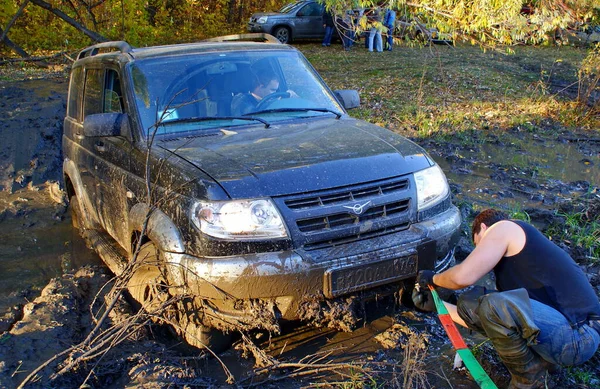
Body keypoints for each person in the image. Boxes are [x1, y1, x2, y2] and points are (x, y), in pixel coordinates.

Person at [412, 209, 600, 389]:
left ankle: (529, 380)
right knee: (473, 304)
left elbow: (463, 277)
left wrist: (433, 279)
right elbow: (491, 323)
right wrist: (439, 306)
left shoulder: (505, 228)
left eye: (479, 246)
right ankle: (545, 367)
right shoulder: (516, 273)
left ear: (483, 228)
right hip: (562, 337)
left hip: (580, 334)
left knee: (492, 304)